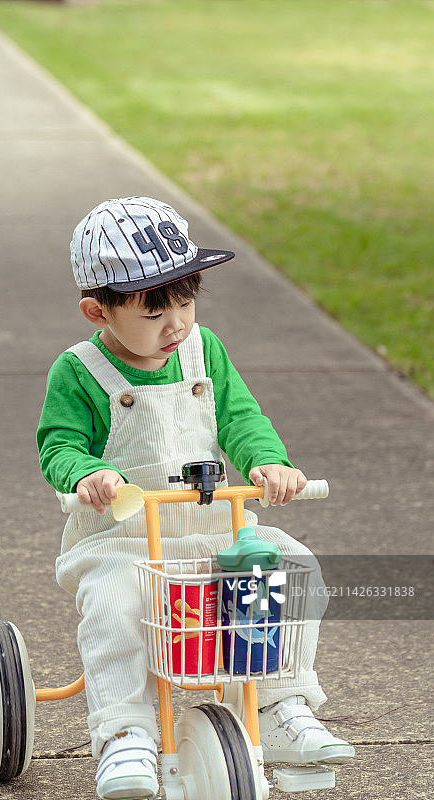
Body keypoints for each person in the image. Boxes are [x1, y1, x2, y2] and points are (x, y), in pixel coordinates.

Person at [37, 196, 354, 800]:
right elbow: (58, 447)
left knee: (290, 565)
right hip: (120, 537)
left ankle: (279, 704)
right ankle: (124, 732)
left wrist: (268, 461)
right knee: (115, 602)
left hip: (212, 525)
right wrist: (87, 475)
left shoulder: (203, 350)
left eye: (185, 301)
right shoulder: (78, 372)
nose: (175, 323)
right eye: (154, 311)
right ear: (96, 310)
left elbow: (239, 416)